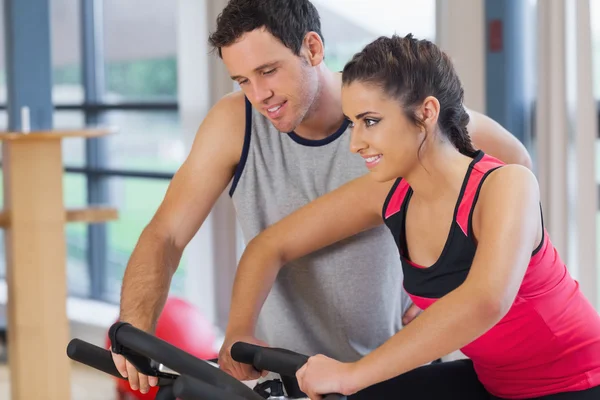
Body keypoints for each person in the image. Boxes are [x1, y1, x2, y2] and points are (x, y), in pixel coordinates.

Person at [112, 0, 533, 395]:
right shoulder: (233, 122)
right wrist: (135, 327)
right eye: (242, 80)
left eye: (269, 71)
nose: (259, 95)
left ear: (311, 48)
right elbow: (166, 234)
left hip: (392, 373)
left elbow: (513, 162)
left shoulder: (386, 112)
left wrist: (449, 282)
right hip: (288, 375)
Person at [224, 33, 600, 399]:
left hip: (577, 381)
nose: (355, 143)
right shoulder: (392, 193)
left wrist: (351, 374)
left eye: (370, 121)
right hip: (495, 380)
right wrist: (239, 330)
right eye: (353, 122)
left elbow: (484, 301)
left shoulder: (507, 185)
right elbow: (270, 244)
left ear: (426, 112)